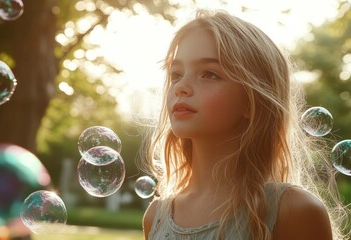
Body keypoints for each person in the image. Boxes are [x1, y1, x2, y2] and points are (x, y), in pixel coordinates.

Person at [141, 9, 349, 240]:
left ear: (252, 102)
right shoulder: (155, 216)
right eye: (176, 74)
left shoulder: (293, 210)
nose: (181, 87)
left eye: (209, 74)